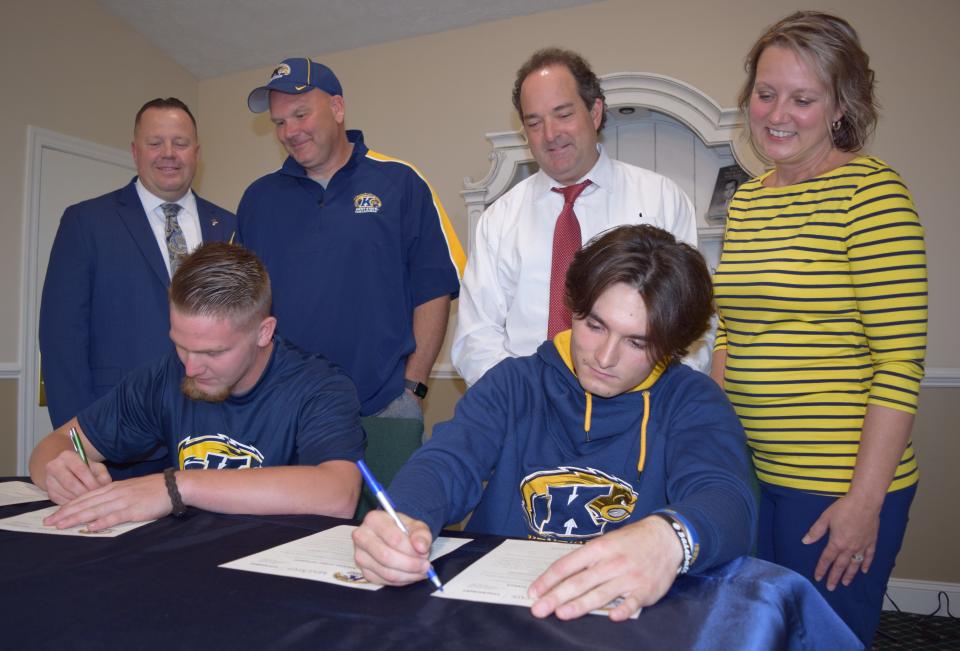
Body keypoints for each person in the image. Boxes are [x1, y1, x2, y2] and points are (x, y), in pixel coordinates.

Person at [354, 224, 756, 621]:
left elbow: (727, 499)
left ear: (671, 346)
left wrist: (671, 538)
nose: (604, 357)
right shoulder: (515, 383)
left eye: (637, 342)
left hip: (623, 623)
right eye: (595, 326)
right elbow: (446, 464)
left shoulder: (693, 400)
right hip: (498, 614)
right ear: (572, 309)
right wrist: (404, 517)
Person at [711, 11, 926, 646]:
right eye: (766, 92)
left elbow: (899, 366)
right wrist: (714, 451)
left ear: (840, 107)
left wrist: (864, 504)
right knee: (750, 632)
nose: (778, 113)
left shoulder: (874, 195)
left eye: (803, 99)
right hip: (752, 473)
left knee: (818, 640)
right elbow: (730, 335)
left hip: (833, 487)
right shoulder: (748, 201)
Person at [29, 242, 365, 530]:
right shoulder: (165, 375)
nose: (190, 367)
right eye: (180, 344)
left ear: (264, 332)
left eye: (213, 352)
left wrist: (176, 487)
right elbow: (62, 440)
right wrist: (64, 465)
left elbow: (339, 493)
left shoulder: (320, 387)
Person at [452, 48, 702, 386]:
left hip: (635, 409)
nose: (550, 134)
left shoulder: (661, 199)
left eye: (563, 114)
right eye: (534, 122)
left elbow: (686, 323)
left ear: (595, 112)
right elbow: (477, 335)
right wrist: (519, 402)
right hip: (526, 409)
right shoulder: (498, 219)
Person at [238, 58, 464, 422]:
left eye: (300, 114)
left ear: (337, 107)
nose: (289, 131)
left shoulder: (401, 183)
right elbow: (239, 303)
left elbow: (432, 289)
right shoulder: (258, 199)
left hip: (384, 406)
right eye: (279, 123)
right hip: (283, 408)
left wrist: (414, 386)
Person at [39, 97, 236, 476]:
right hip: (117, 441)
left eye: (180, 143)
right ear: (134, 151)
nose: (168, 154)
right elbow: (61, 342)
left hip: (214, 439)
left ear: (196, 152)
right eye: (155, 142)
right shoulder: (87, 222)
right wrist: (77, 448)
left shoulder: (230, 225)